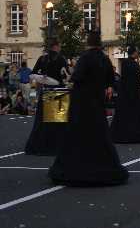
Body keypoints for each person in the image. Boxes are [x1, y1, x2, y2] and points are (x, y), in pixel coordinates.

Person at [49, 32, 128, 186]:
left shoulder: (85, 58)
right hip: (97, 101)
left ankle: (75, 165)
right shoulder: (104, 58)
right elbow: (111, 79)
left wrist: (70, 74)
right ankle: (103, 164)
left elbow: (77, 77)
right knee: (100, 133)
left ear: (88, 42)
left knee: (77, 133)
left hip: (82, 102)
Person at [25, 39, 69, 156]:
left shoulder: (42, 59)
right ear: (56, 46)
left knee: (42, 122)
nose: (60, 48)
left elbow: (33, 74)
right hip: (58, 93)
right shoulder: (61, 59)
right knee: (57, 123)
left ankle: (39, 145)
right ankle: (55, 146)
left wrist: (42, 78)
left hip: (46, 92)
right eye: (59, 46)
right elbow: (66, 77)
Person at [110, 46, 140, 143]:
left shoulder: (124, 63)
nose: (138, 53)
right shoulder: (134, 64)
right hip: (134, 91)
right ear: (134, 53)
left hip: (125, 92)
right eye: (137, 52)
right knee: (137, 112)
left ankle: (119, 133)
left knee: (124, 113)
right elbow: (139, 76)